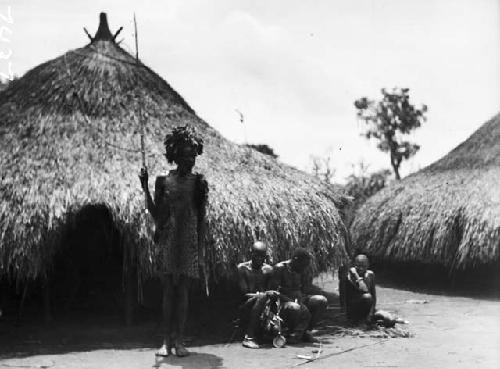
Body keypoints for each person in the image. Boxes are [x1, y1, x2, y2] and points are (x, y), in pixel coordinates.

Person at [139, 125, 208, 358]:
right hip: (168, 239)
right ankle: (166, 341)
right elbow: (155, 213)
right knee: (169, 291)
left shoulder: (199, 183)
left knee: (183, 292)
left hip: (187, 241)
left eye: (193, 153)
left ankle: (179, 340)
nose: (191, 158)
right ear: (176, 154)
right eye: (187, 153)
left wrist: (199, 253)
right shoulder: (162, 180)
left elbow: (201, 220)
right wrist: (145, 186)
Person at [271, 249, 327, 344]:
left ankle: (305, 331)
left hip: (299, 299)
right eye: (302, 265)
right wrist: (290, 299)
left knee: (321, 300)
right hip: (282, 302)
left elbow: (305, 288)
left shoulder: (302, 270)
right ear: (295, 260)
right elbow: (272, 292)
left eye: (306, 266)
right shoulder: (280, 268)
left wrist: (316, 292)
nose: (304, 268)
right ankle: (294, 333)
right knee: (296, 307)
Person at [237, 241, 275, 349]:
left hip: (264, 304)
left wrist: (270, 294)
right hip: (246, 303)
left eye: (262, 256)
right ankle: (249, 338)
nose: (259, 258)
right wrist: (259, 296)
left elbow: (269, 291)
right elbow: (244, 293)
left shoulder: (269, 270)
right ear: (251, 253)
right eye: (257, 255)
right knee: (262, 297)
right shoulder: (242, 268)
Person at [345, 254, 376, 326]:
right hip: (354, 309)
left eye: (364, 266)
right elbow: (364, 289)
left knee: (389, 320)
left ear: (368, 265)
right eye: (358, 266)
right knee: (367, 297)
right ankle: (359, 320)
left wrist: (371, 313)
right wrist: (356, 275)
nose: (361, 268)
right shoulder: (350, 275)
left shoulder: (370, 274)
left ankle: (366, 318)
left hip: (367, 309)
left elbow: (374, 296)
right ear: (354, 265)